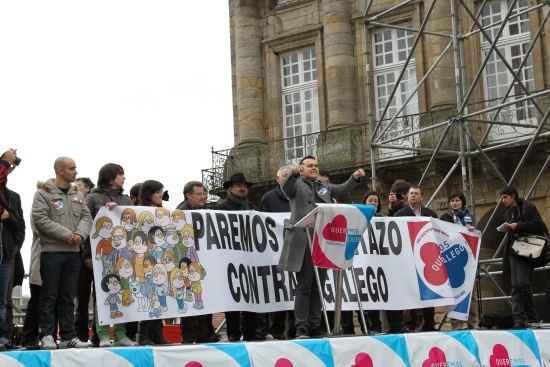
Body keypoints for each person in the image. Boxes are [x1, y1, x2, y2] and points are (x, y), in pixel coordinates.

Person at [278, 155, 365, 339]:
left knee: (319, 286)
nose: (314, 168)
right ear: (301, 168)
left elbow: (341, 189)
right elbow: (285, 187)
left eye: (316, 165)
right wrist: (292, 173)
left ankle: (314, 326)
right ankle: (301, 327)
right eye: (310, 166)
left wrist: (355, 178)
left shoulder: (323, 186)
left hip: (322, 243)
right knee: (304, 287)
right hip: (303, 243)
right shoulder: (296, 184)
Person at [32, 156, 93, 349]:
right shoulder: (43, 193)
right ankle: (47, 335)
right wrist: (68, 235)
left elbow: (86, 217)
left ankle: (68, 336)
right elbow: (40, 220)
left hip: (73, 253)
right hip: (52, 253)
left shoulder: (78, 195)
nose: (76, 172)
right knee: (49, 295)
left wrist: (80, 235)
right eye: (72, 168)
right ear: (60, 171)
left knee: (68, 296)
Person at [82, 163, 137, 347]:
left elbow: (133, 224)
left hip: (123, 257)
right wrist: (87, 254)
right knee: (103, 295)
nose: (124, 178)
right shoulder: (92, 198)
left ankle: (121, 334)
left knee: (122, 293)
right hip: (102, 257)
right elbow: (86, 227)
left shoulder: (126, 200)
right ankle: (103, 334)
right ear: (110, 176)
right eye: (120, 174)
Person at [177, 180, 219, 344]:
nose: (203, 197)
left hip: (202, 261)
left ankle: (203, 333)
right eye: (199, 194)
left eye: (204, 194)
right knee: (189, 296)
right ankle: (188, 335)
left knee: (202, 296)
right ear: (188, 195)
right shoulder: (180, 213)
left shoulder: (207, 212)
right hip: (186, 262)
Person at [500, 185, 548, 329]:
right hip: (514, 251)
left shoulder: (528, 207)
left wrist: (519, 225)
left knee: (523, 283)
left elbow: (539, 226)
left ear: (513, 196)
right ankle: (519, 318)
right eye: (502, 198)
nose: (503, 201)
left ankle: (531, 316)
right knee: (515, 285)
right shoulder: (507, 213)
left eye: (505, 197)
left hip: (527, 251)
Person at [218, 173, 258, 342]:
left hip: (250, 257)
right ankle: (233, 332)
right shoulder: (222, 208)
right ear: (230, 188)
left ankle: (250, 332)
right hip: (231, 258)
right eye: (238, 185)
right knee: (232, 296)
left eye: (245, 185)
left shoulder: (252, 206)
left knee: (252, 296)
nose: (243, 188)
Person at [394, 186, 438, 332]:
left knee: (428, 290)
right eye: (411, 193)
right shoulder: (400, 214)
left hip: (427, 258)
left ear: (422, 197)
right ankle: (410, 324)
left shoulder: (431, 214)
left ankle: (428, 323)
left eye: (416, 194)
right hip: (408, 257)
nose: (413, 196)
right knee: (410, 290)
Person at [257, 166, 293, 340]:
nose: (288, 179)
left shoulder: (300, 194)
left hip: (296, 249)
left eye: (291, 176)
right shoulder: (269, 198)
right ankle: (276, 330)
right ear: (278, 180)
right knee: (279, 290)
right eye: (285, 176)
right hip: (275, 251)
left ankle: (295, 330)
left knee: (297, 291)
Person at [137, 180, 171, 345]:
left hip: (160, 260)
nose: (160, 195)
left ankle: (157, 334)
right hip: (144, 261)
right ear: (148, 193)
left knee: (160, 295)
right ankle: (144, 335)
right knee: (148, 295)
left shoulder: (163, 212)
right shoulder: (137, 211)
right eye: (157, 191)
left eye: (162, 191)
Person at [439, 191, 477, 330]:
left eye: (457, 200)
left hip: (468, 260)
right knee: (454, 293)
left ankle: (473, 322)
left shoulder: (469, 217)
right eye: (452, 201)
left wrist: (472, 231)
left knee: (471, 293)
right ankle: (457, 324)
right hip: (452, 260)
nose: (454, 203)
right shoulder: (445, 217)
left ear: (462, 202)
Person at [0, 150, 24, 351]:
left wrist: (15, 247)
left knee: (5, 300)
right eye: (8, 167)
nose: (10, 170)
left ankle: (4, 338)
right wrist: (5, 162)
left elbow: (20, 224)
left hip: (6, 251)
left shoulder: (12, 197)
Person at [73, 176, 97, 345]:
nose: (76, 187)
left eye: (79, 185)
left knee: (98, 296)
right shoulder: (74, 203)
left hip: (92, 254)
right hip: (80, 255)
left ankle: (96, 333)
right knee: (81, 297)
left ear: (88, 188)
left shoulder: (91, 203)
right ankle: (80, 333)